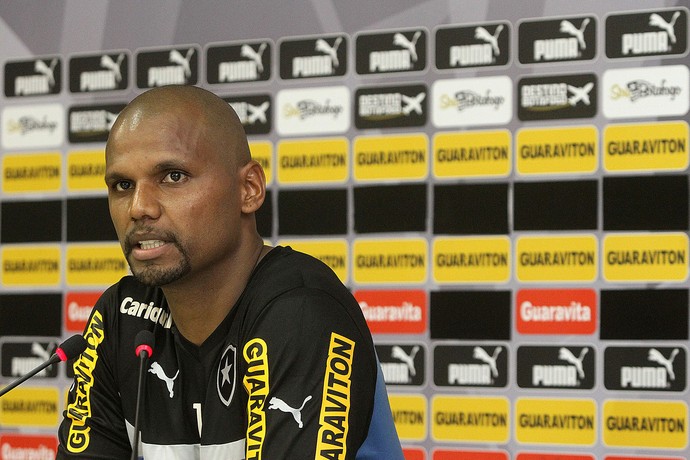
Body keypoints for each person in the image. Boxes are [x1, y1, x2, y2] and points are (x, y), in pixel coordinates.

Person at [56, 85, 404, 459]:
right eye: (122, 185)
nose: (139, 208)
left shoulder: (300, 314)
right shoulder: (121, 318)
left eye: (173, 177)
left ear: (249, 189)